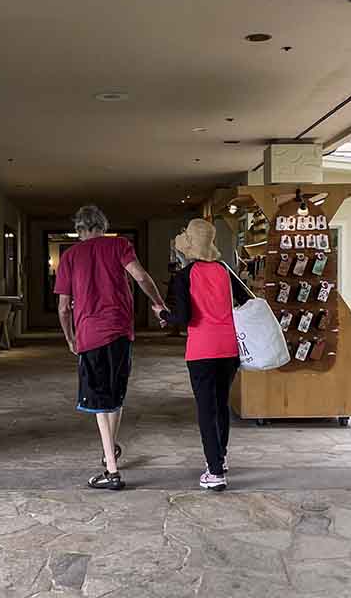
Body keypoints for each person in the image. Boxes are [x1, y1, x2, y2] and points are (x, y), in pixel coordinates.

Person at [55, 205, 167, 490]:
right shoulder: (119, 245)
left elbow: (64, 308)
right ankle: (110, 452)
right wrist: (158, 304)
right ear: (102, 226)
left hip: (90, 334)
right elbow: (141, 277)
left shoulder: (69, 256)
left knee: (99, 401)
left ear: (79, 229)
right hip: (120, 331)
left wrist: (70, 338)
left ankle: (112, 471)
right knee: (115, 395)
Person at [163, 218, 250, 490]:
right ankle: (220, 459)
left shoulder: (184, 276)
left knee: (205, 409)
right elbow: (247, 301)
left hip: (201, 351)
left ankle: (215, 473)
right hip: (228, 348)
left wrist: (164, 315)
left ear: (187, 248)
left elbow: (183, 316)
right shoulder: (225, 270)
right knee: (221, 404)